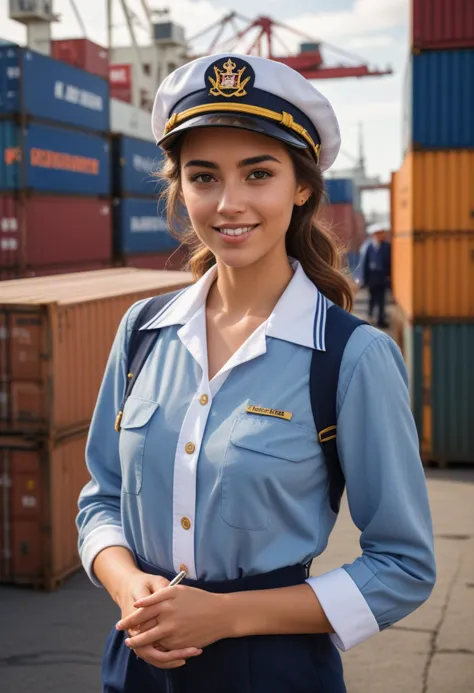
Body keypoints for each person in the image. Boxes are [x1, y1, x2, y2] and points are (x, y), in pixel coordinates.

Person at [76, 53, 436, 693]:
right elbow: (100, 498)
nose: (229, 203)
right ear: (179, 187)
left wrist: (223, 617)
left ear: (302, 187)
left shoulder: (351, 357)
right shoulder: (140, 333)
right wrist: (127, 583)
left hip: (273, 668)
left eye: (258, 173)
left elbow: (403, 566)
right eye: (204, 176)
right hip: (138, 655)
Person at [361, 222, 392, 328]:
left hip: (382, 278)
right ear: (374, 235)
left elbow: (390, 264)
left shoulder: (387, 247)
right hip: (372, 278)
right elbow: (364, 264)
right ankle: (370, 318)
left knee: (382, 300)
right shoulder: (368, 247)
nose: (381, 236)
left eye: (382, 233)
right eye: (378, 234)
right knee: (372, 300)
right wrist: (364, 280)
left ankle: (381, 320)